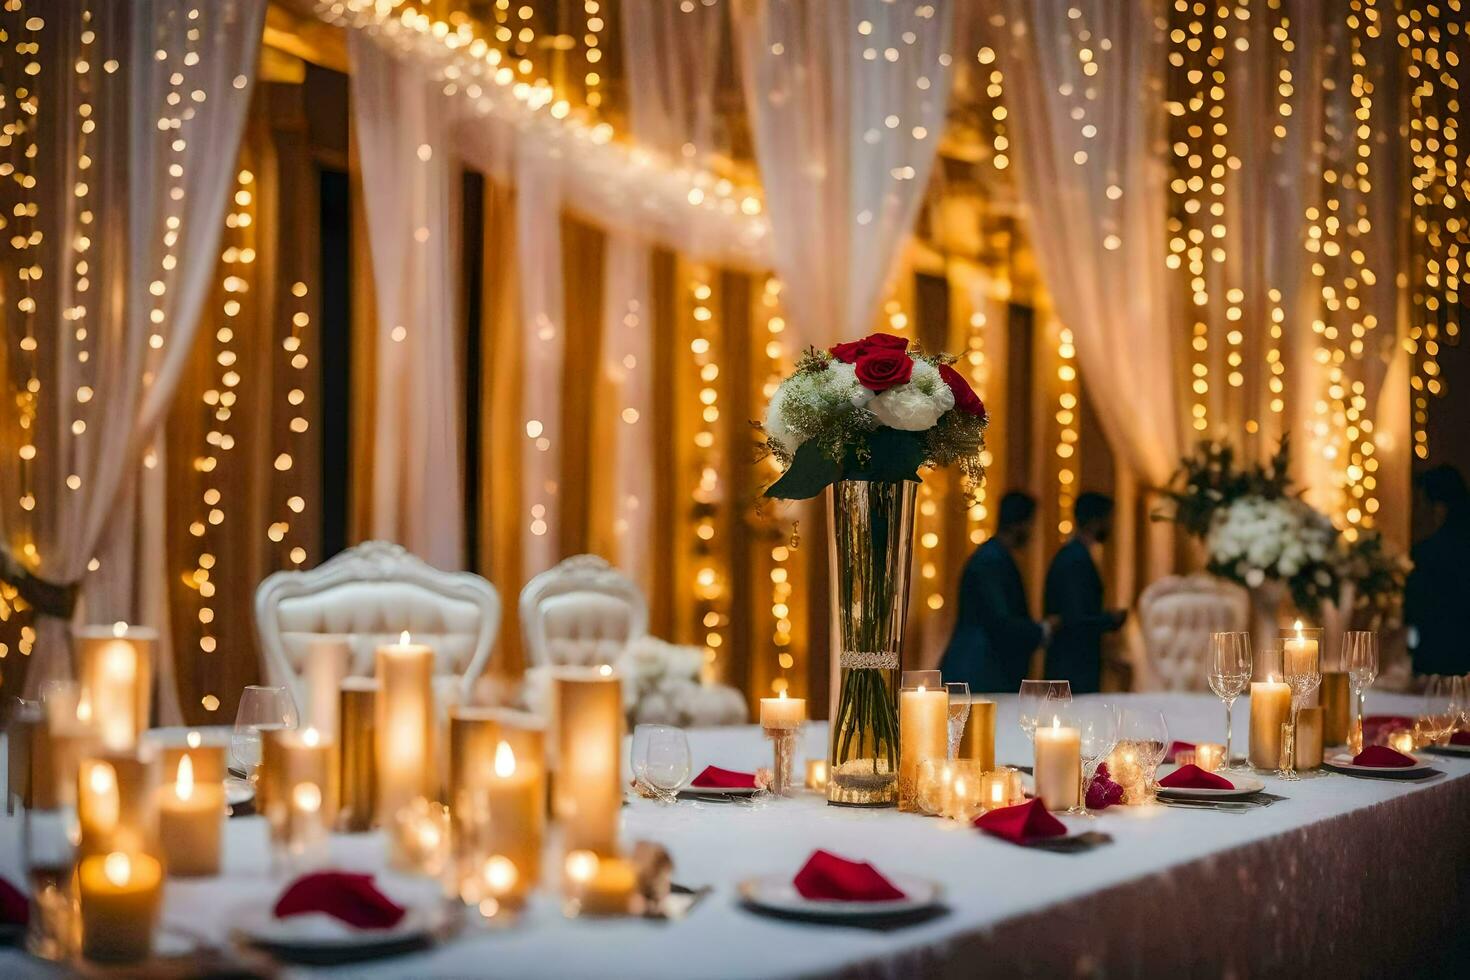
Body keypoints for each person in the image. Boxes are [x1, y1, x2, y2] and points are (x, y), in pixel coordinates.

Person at [940, 492, 1055, 693]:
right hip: (980, 669)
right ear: (1018, 524)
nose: (1033, 532)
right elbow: (999, 621)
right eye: (1030, 524)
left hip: (982, 668)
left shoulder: (995, 557)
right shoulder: (991, 561)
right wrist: (1042, 630)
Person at [1044, 492, 1128, 694]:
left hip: (1074, 664)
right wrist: (1111, 620)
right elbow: (1075, 617)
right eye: (1108, 519)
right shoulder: (1075, 559)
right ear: (1095, 521)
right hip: (1073, 666)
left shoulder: (1074, 555)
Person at [1405, 465, 1470, 677]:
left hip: (1439, 664)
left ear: (1439, 508)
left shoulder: (1429, 553)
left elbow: (1414, 612)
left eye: (1422, 503)